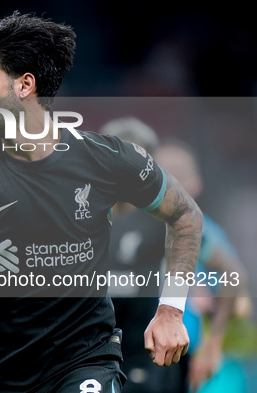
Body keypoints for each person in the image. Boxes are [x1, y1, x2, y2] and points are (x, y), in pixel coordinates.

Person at [0, 12, 203, 393]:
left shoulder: (105, 158)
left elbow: (186, 214)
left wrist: (171, 309)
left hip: (85, 362)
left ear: (25, 86)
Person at [101, 120, 249, 393]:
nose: (125, 169)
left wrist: (213, 342)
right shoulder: (82, 217)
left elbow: (232, 273)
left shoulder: (167, 222)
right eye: (116, 158)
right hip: (95, 358)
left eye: (135, 161)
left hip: (152, 360)